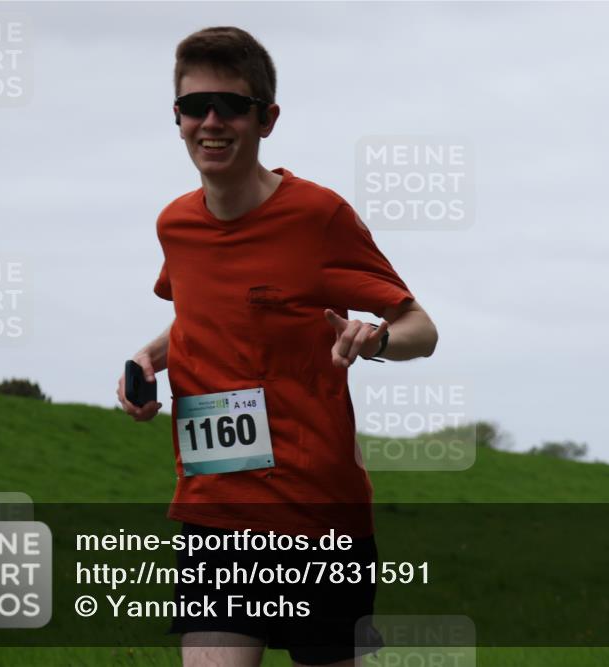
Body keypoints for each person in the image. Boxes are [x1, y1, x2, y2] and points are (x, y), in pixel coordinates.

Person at [116, 26, 438, 667]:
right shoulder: (175, 224)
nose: (212, 121)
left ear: (267, 119)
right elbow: (201, 320)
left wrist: (373, 339)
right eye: (194, 106)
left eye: (232, 106)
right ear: (176, 118)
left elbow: (419, 328)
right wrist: (146, 360)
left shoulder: (318, 218)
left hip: (318, 517)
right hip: (215, 512)